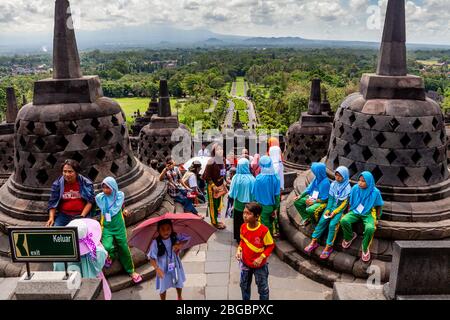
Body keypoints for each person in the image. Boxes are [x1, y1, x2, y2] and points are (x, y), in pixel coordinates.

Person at [95, 177, 142, 284]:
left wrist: (124, 210)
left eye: (108, 188)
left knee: (124, 247)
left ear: (114, 187)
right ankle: (111, 255)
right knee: (106, 246)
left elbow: (120, 206)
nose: (105, 190)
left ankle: (131, 271)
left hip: (119, 227)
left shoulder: (119, 196)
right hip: (107, 227)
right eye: (104, 187)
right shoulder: (100, 198)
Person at [54, 218, 111, 300]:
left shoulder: (60, 257)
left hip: (70, 288)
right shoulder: (97, 252)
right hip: (93, 286)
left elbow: (58, 271)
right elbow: (103, 255)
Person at [304, 166, 351, 259]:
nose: (337, 178)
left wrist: (335, 212)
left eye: (340, 176)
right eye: (336, 175)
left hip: (339, 210)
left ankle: (328, 247)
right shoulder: (333, 184)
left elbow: (344, 205)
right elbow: (330, 199)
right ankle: (314, 241)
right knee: (322, 221)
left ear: (345, 176)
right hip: (331, 208)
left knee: (332, 225)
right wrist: (329, 209)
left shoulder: (347, 188)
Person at [340, 171, 384, 262]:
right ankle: (350, 236)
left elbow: (379, 205)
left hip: (368, 213)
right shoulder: (355, 188)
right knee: (344, 220)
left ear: (369, 182)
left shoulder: (375, 192)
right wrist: (348, 211)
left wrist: (377, 218)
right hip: (355, 211)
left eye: (363, 181)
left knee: (370, 228)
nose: (360, 183)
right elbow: (350, 200)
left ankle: (365, 247)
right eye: (359, 180)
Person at [236, 202, 275, 300]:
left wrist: (261, 257)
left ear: (257, 216)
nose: (245, 216)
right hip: (245, 263)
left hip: (260, 266)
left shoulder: (264, 231)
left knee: (263, 289)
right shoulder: (243, 227)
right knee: (244, 286)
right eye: (244, 212)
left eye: (248, 213)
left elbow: (270, 246)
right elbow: (242, 241)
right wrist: (239, 249)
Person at [148, 219, 191, 300]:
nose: (166, 231)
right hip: (162, 267)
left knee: (178, 282)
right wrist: (157, 269)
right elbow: (151, 258)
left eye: (168, 229)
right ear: (158, 231)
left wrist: (179, 244)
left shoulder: (175, 236)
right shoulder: (155, 243)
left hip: (174, 264)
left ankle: (179, 296)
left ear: (172, 229)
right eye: (162, 229)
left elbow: (187, 238)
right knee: (163, 286)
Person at [46, 159, 95, 227]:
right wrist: (51, 218)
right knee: (57, 233)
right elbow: (53, 202)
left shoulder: (86, 183)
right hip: (64, 216)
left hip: (81, 215)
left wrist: (82, 216)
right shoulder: (57, 184)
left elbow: (90, 202)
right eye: (64, 171)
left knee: (84, 233)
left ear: (76, 172)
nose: (67, 174)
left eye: (70, 171)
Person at [229, 158, 256, 242]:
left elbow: (231, 194)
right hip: (249, 205)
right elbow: (254, 194)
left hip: (238, 205)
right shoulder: (252, 179)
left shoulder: (235, 178)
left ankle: (238, 237)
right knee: (248, 221)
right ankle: (248, 237)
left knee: (238, 221)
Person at [253, 156, 281, 236]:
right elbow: (277, 195)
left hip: (262, 206)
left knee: (265, 225)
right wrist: (275, 207)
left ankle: (268, 240)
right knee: (271, 222)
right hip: (273, 206)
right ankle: (272, 236)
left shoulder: (258, 179)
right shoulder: (276, 177)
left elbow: (254, 194)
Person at [202, 143, 227, 229]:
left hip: (220, 186)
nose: (220, 151)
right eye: (218, 149)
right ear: (214, 151)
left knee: (218, 204)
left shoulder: (223, 160)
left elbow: (223, 173)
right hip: (212, 187)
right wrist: (213, 185)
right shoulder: (211, 161)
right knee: (212, 205)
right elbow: (206, 176)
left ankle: (216, 219)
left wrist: (224, 182)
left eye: (221, 149)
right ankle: (214, 222)